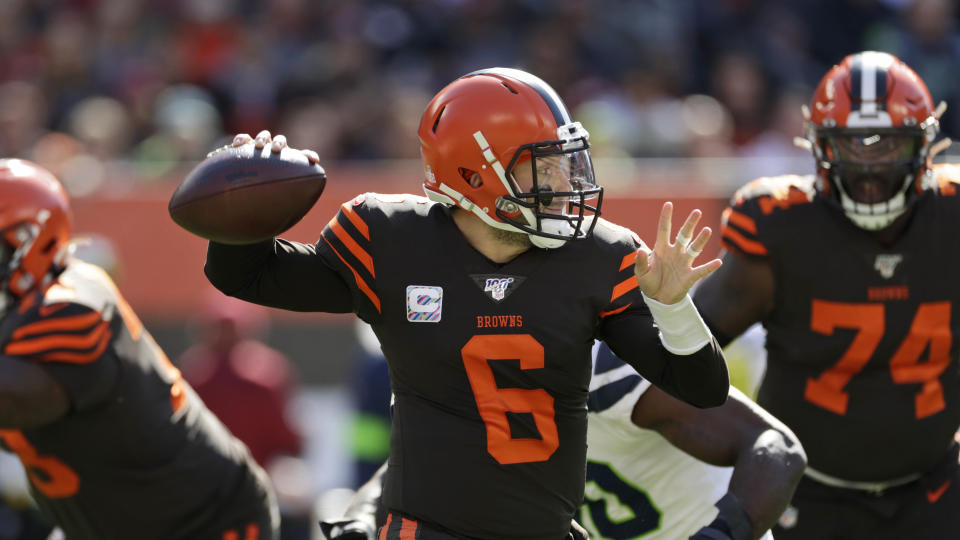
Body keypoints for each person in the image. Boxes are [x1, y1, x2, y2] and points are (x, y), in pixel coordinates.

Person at [202, 67, 730, 540]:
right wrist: (242, 193)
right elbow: (247, 275)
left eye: (567, 163)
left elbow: (702, 389)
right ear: (475, 177)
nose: (565, 183)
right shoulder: (391, 241)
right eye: (542, 168)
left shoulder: (599, 257)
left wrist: (674, 308)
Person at [693, 51, 960, 539]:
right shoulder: (780, 226)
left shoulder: (951, 217)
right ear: (818, 147)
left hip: (936, 487)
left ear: (924, 145)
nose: (869, 173)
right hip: (806, 491)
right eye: (850, 147)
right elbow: (684, 356)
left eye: (888, 147)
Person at [0, 159, 279, 539]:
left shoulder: (70, 306)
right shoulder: (23, 306)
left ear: (29, 240)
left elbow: (16, 398)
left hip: (205, 522)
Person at [319, 337, 806, 540]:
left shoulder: (610, 369)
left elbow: (775, 449)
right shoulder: (472, 382)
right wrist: (358, 522)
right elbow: (412, 469)